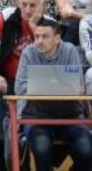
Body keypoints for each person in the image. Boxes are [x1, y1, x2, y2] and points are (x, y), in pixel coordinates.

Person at [14, 17, 92, 170]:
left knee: (86, 149)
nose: (39, 41)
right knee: (41, 148)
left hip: (71, 116)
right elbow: (20, 87)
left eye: (45, 36)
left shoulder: (69, 50)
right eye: (37, 36)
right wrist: (62, 82)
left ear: (57, 38)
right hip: (36, 117)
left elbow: (78, 87)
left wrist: (38, 82)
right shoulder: (28, 52)